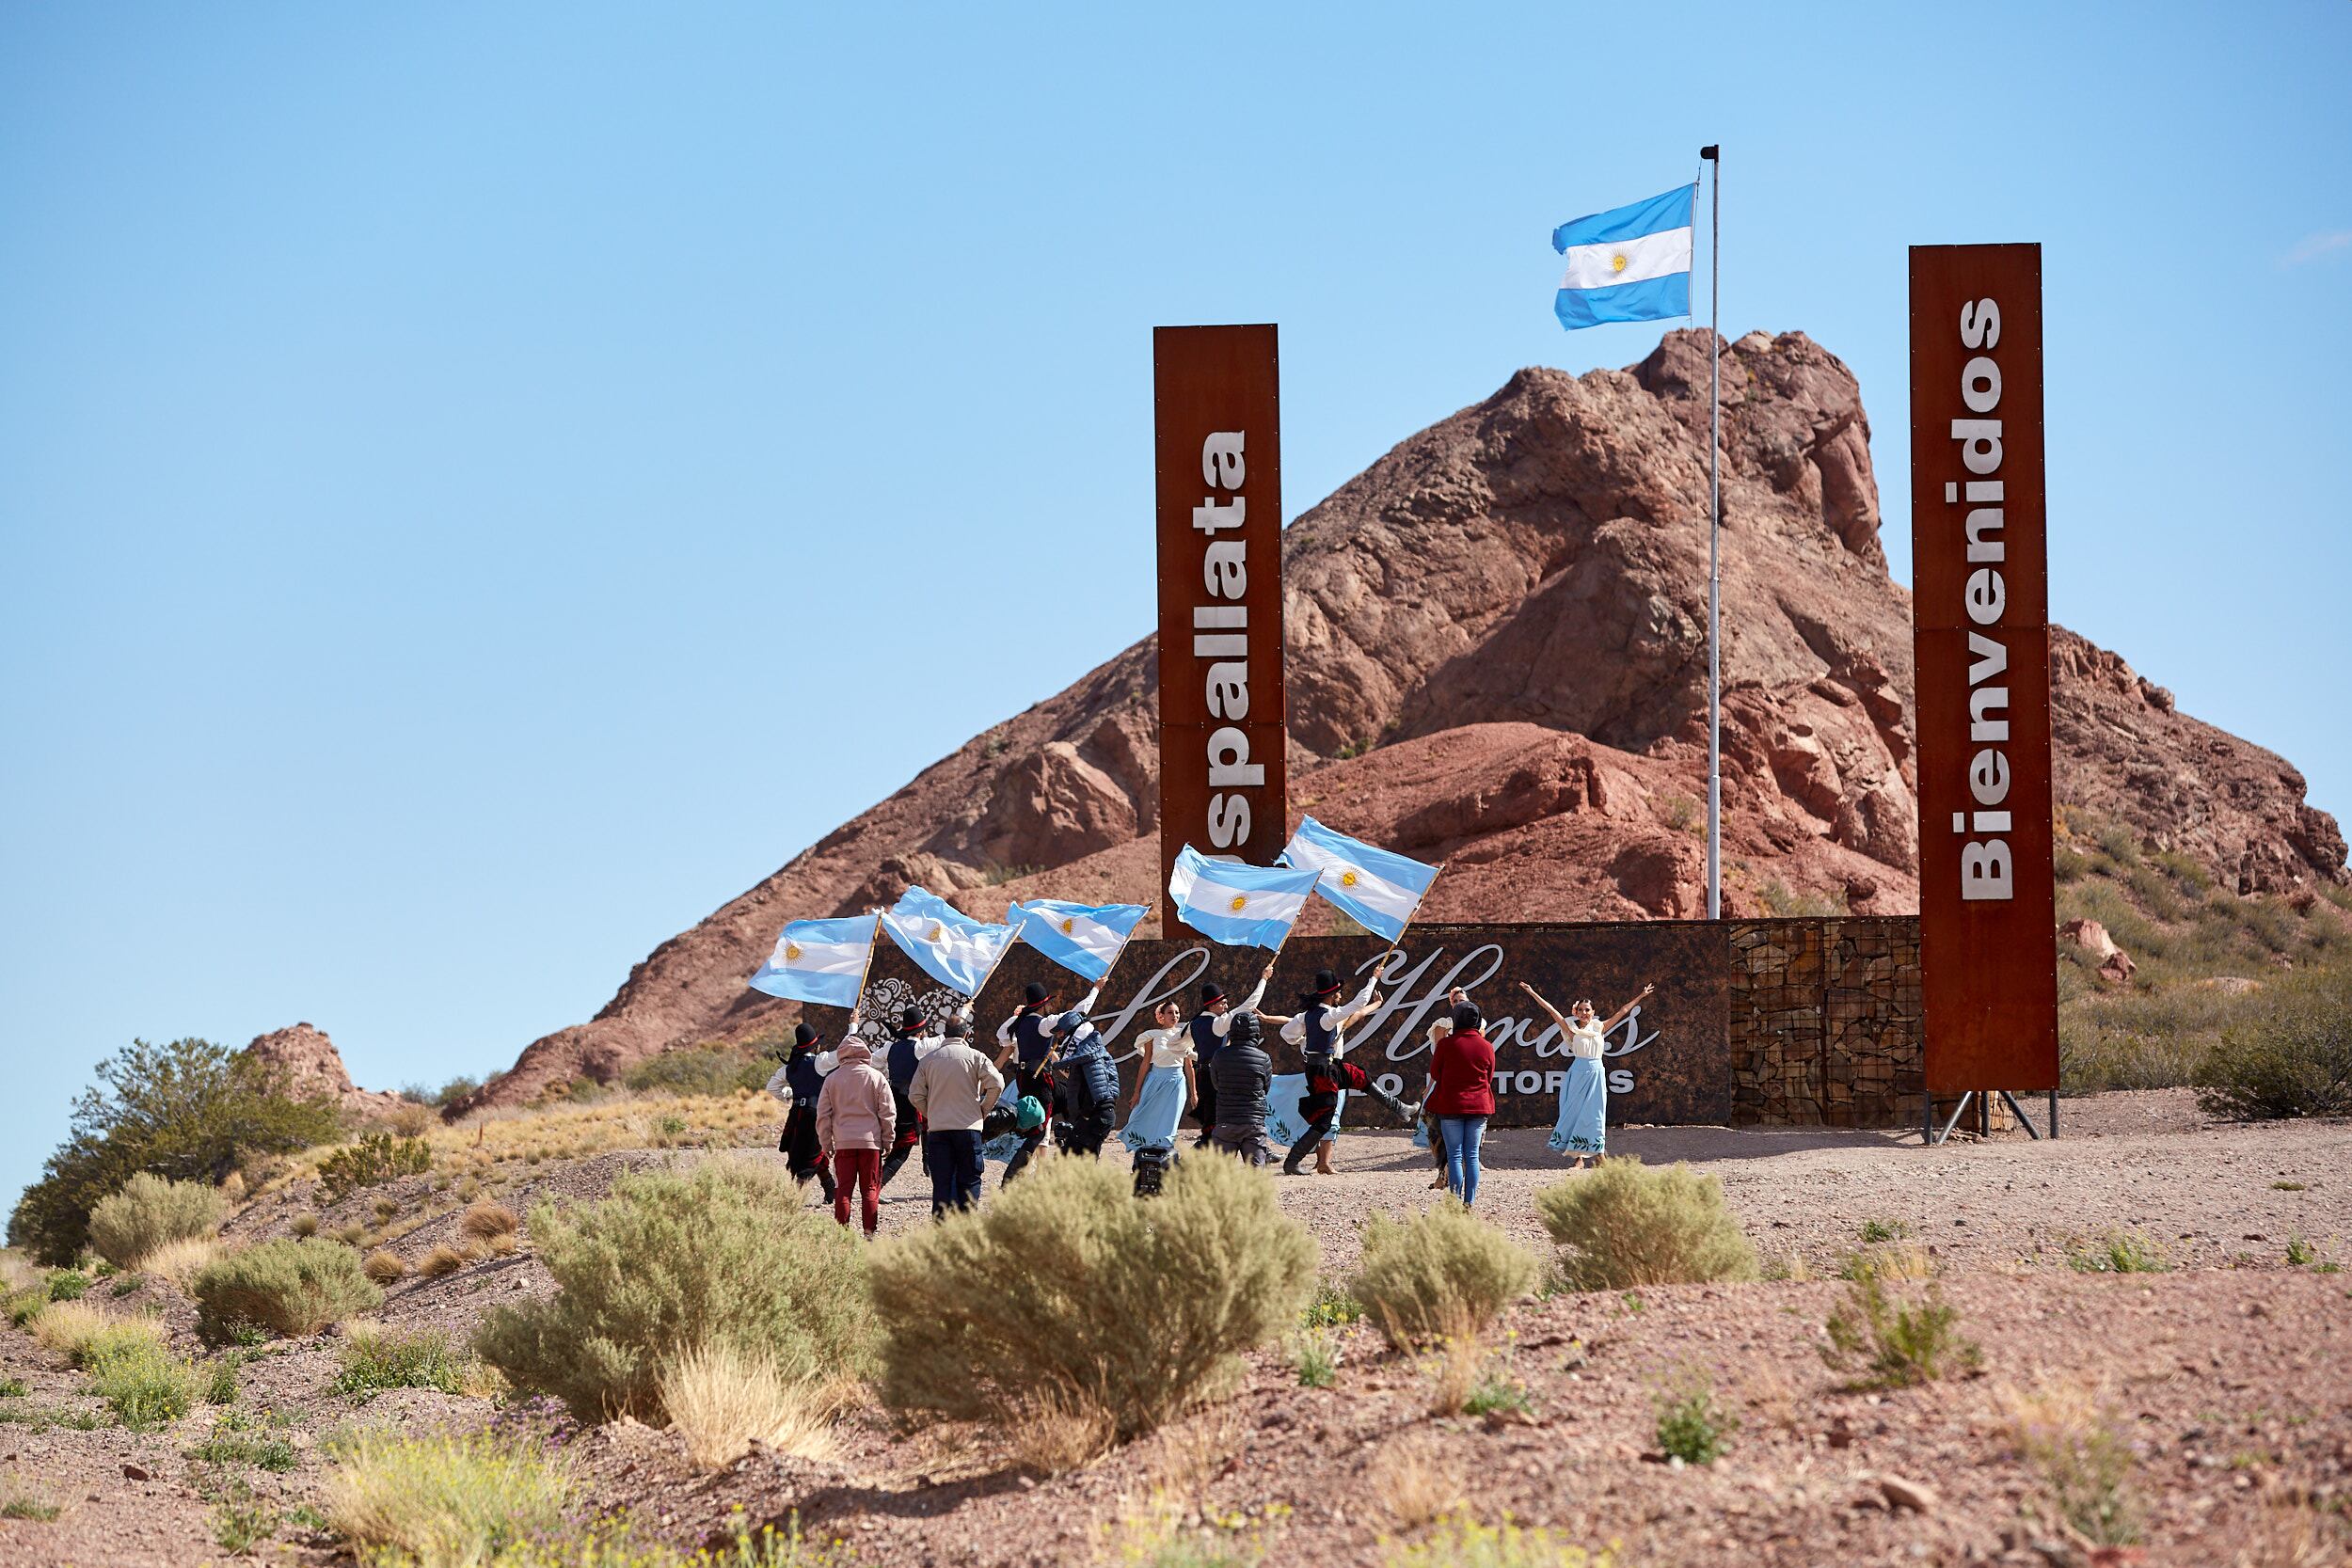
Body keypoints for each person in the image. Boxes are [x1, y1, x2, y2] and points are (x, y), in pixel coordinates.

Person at [1279, 962, 1413, 1177]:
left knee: (1360, 1077)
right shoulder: (1327, 1016)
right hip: (1323, 1071)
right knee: (1324, 1121)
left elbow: (1286, 1034)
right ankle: (1292, 1161)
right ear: (1332, 994)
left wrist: (1304, 1042)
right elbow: (1358, 1002)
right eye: (1338, 991)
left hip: (1327, 1065)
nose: (1341, 994)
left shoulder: (1306, 1016)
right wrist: (1374, 977)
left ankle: (1400, 1108)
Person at [1521, 979, 1653, 1168]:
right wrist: (1533, 992)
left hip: (1596, 1073)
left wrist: (1641, 995)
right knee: (1576, 1113)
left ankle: (1600, 1155)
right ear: (1576, 1012)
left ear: (1593, 1012)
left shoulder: (1599, 1027)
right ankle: (1579, 1158)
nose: (1584, 1013)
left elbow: (1623, 1012)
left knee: (1595, 1114)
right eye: (1581, 1010)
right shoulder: (1572, 1029)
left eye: (1587, 1010)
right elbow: (1551, 1011)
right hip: (1578, 1073)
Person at [907, 1015, 1004, 1219]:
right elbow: (997, 1083)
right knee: (970, 1179)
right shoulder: (976, 1056)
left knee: (942, 1181)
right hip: (969, 1127)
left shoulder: (928, 1060)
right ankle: (966, 1227)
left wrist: (930, 1113)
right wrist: (983, 1110)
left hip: (939, 1129)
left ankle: (942, 1229)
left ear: (945, 1034)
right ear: (967, 1034)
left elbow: (915, 1094)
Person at [814, 1033, 895, 1237]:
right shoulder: (877, 1077)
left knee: (844, 1190)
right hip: (871, 1143)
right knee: (869, 1189)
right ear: (865, 1052)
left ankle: (842, 1234)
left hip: (843, 1143)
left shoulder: (831, 1080)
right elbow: (887, 1112)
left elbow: (823, 1115)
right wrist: (888, 1139)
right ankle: (869, 1233)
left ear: (842, 1054)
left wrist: (826, 1143)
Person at [1187, 961, 1273, 1148]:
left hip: (1204, 1074)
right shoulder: (1218, 1024)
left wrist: (1197, 1057)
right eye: (1223, 1002)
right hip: (1216, 1076)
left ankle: (1260, 1150)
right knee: (1221, 1119)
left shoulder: (1192, 1024)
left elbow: (1174, 1044)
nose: (1226, 1005)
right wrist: (1263, 979)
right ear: (1212, 1005)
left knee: (1213, 1120)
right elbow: (1249, 1005)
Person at [1426, 1000, 1496, 1207]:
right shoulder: (1486, 1046)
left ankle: (1455, 1202)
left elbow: (1435, 1073)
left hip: (1451, 1105)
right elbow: (1489, 1076)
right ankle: (1469, 1202)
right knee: (1472, 1156)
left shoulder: (1446, 1045)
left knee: (1455, 1155)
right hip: (1479, 1105)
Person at [993, 980, 1062, 1180]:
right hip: (1031, 1080)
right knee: (1035, 1126)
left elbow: (1052, 1057)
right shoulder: (1028, 1026)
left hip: (1027, 1078)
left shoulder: (1026, 1027)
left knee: (1040, 1127)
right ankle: (1020, 1173)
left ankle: (1036, 1173)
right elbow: (1001, 1054)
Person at [764, 1022, 837, 1205]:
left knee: (803, 1152)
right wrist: (852, 1027)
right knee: (812, 1153)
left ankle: (830, 1188)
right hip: (815, 1113)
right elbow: (844, 1051)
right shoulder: (820, 1061)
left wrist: (789, 1095)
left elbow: (771, 1088)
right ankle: (795, 1197)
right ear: (815, 1045)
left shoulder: (789, 1068)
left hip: (796, 1113)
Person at [1044, 987, 1120, 1158]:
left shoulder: (1089, 1049)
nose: (1060, 1036)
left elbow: (1075, 1061)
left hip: (1097, 1115)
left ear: (1071, 1031)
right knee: (1085, 1162)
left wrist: (1054, 1062)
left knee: (1069, 1158)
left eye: (1062, 1032)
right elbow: (1073, 1073)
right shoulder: (1088, 1047)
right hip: (1098, 1115)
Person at [1120, 998, 1196, 1156]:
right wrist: (1136, 1092)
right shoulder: (1152, 1036)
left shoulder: (1184, 1036)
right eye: (1170, 1012)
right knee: (1141, 1115)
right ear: (1161, 1016)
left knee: (1170, 1121)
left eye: (1177, 1013)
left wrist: (1194, 1093)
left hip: (1177, 1083)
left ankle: (1164, 1154)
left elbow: (1188, 1066)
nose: (1174, 1016)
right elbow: (1145, 1064)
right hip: (1155, 1081)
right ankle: (1142, 1152)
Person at [879, 1005, 939, 1193]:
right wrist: (964, 1011)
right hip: (910, 1103)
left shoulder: (890, 1048)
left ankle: (875, 1185)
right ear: (920, 1032)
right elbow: (948, 1037)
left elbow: (871, 1062)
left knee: (897, 1144)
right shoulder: (920, 1047)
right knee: (903, 1147)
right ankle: (875, 1187)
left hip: (892, 1099)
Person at [1209, 1009, 1276, 1165]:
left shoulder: (1220, 1055)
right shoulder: (1263, 1058)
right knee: (1255, 1176)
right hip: (1254, 1122)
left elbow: (1216, 1084)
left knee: (1221, 1175)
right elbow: (1266, 1088)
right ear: (1256, 1032)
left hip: (1226, 1120)